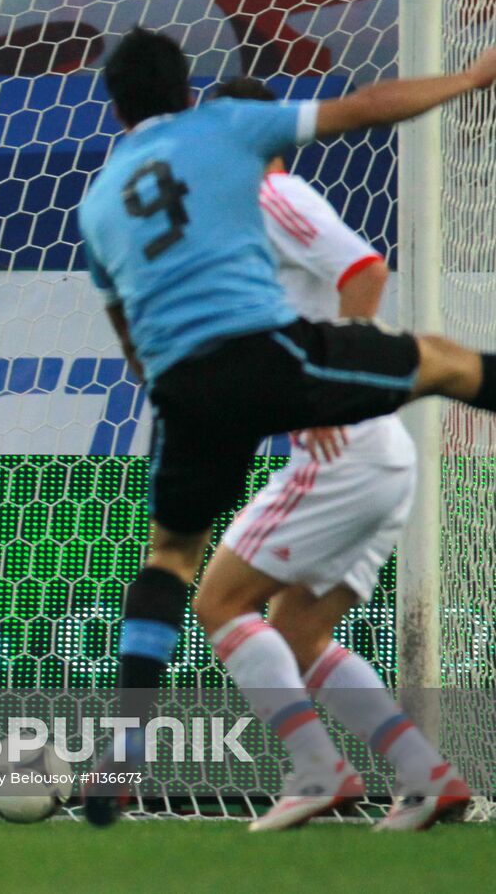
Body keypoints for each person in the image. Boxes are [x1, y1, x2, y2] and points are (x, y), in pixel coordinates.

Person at [75, 27, 496, 827]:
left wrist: (174, 390)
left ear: (115, 103)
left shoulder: (96, 202)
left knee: (171, 559)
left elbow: (128, 332)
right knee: (445, 364)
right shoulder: (223, 128)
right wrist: (471, 78)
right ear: (184, 88)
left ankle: (127, 743)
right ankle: (369, 771)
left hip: (181, 389)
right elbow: (369, 107)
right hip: (268, 356)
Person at [193, 77, 468, 832]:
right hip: (381, 454)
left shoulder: (271, 196)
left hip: (345, 448)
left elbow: (365, 269)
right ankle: (428, 777)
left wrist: (333, 388)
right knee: (300, 633)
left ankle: (319, 770)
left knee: (219, 602)